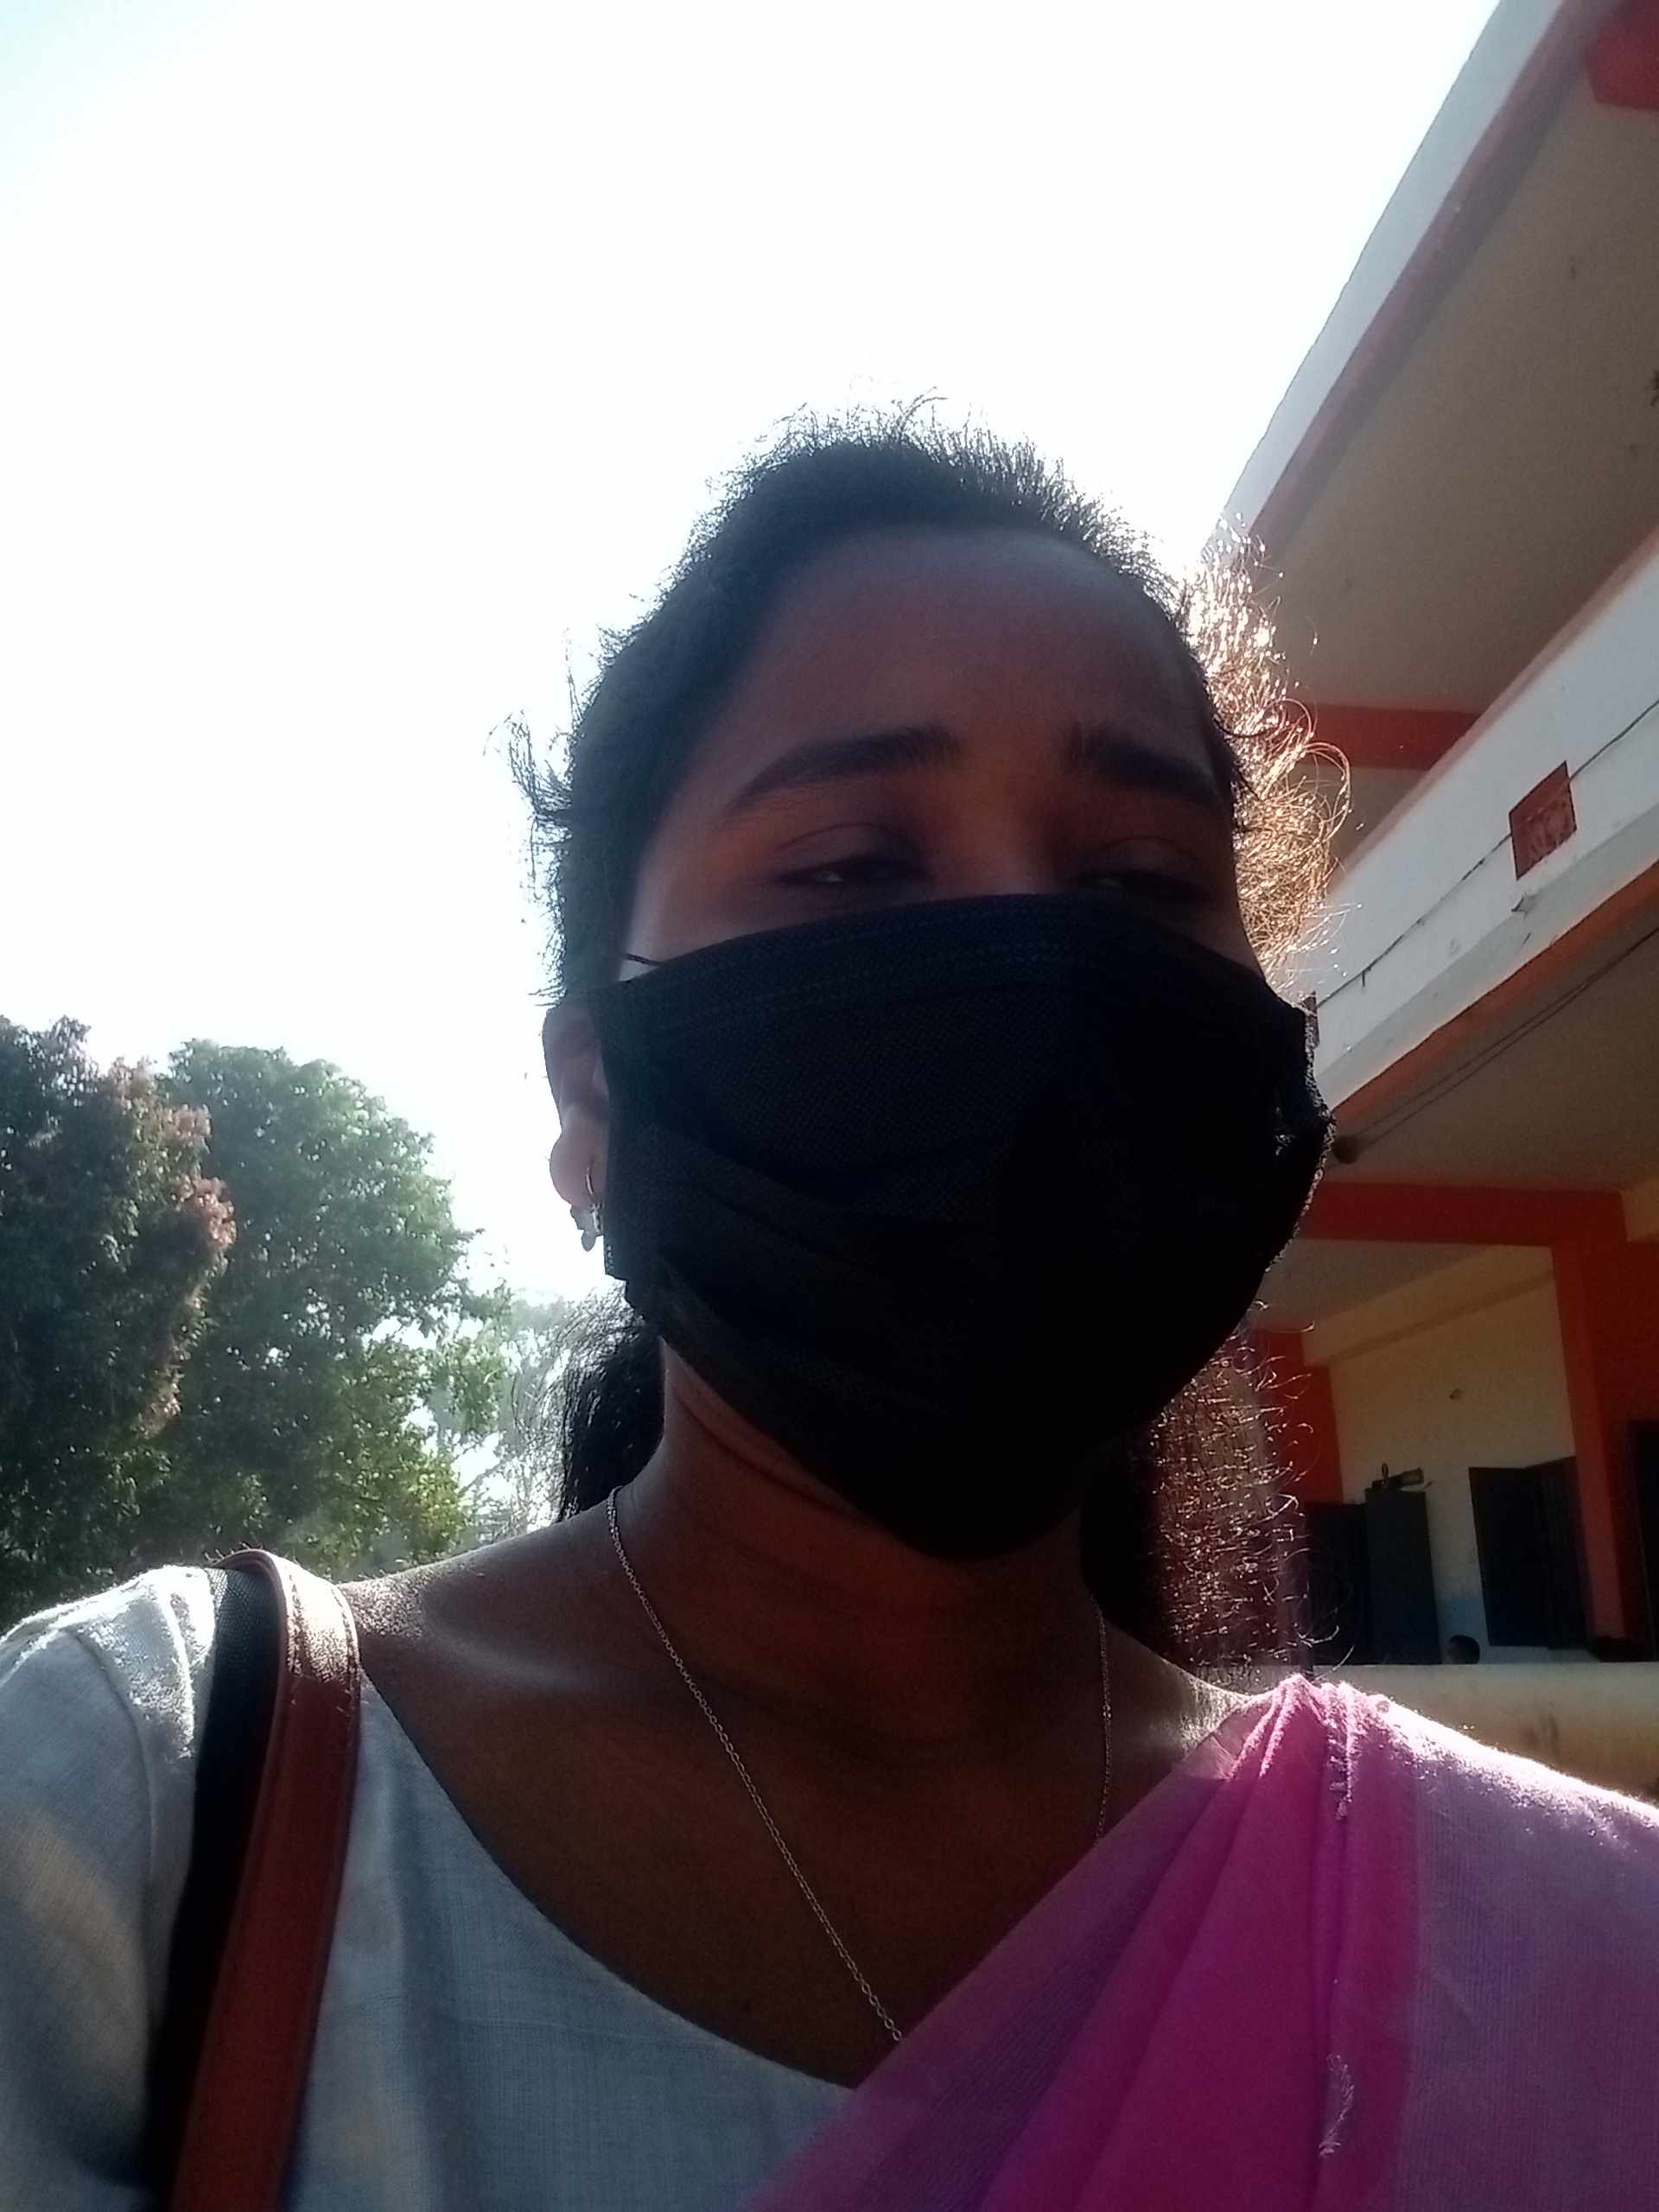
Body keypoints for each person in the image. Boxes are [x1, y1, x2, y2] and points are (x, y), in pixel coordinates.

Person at [3, 416, 1657, 2210]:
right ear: (595, 1097)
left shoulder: (1560, 1945)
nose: (1031, 981)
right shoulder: (144, 1798)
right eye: (857, 863)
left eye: (1139, 884)